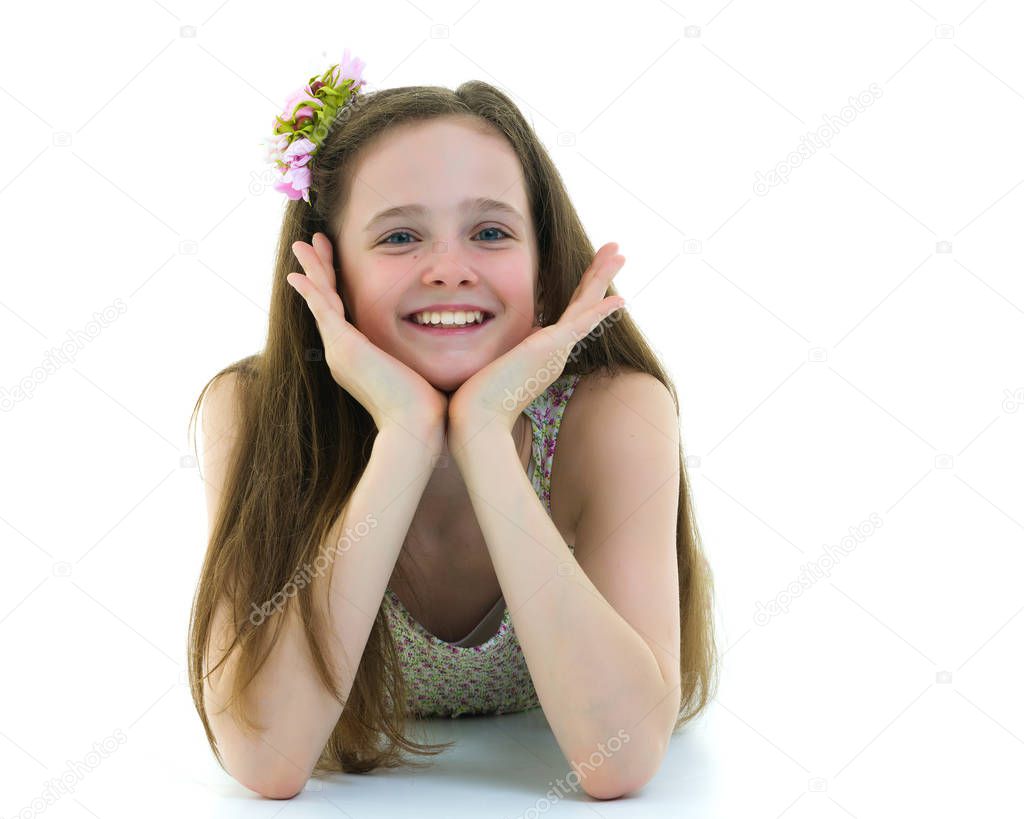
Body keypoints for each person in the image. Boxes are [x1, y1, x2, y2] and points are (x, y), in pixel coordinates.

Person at [185, 50, 719, 800]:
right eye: (400, 237)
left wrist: (482, 433)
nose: (449, 269)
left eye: (491, 233)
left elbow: (618, 762)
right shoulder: (249, 411)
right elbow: (265, 759)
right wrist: (405, 433)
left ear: (543, 269)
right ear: (328, 272)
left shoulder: (614, 414)